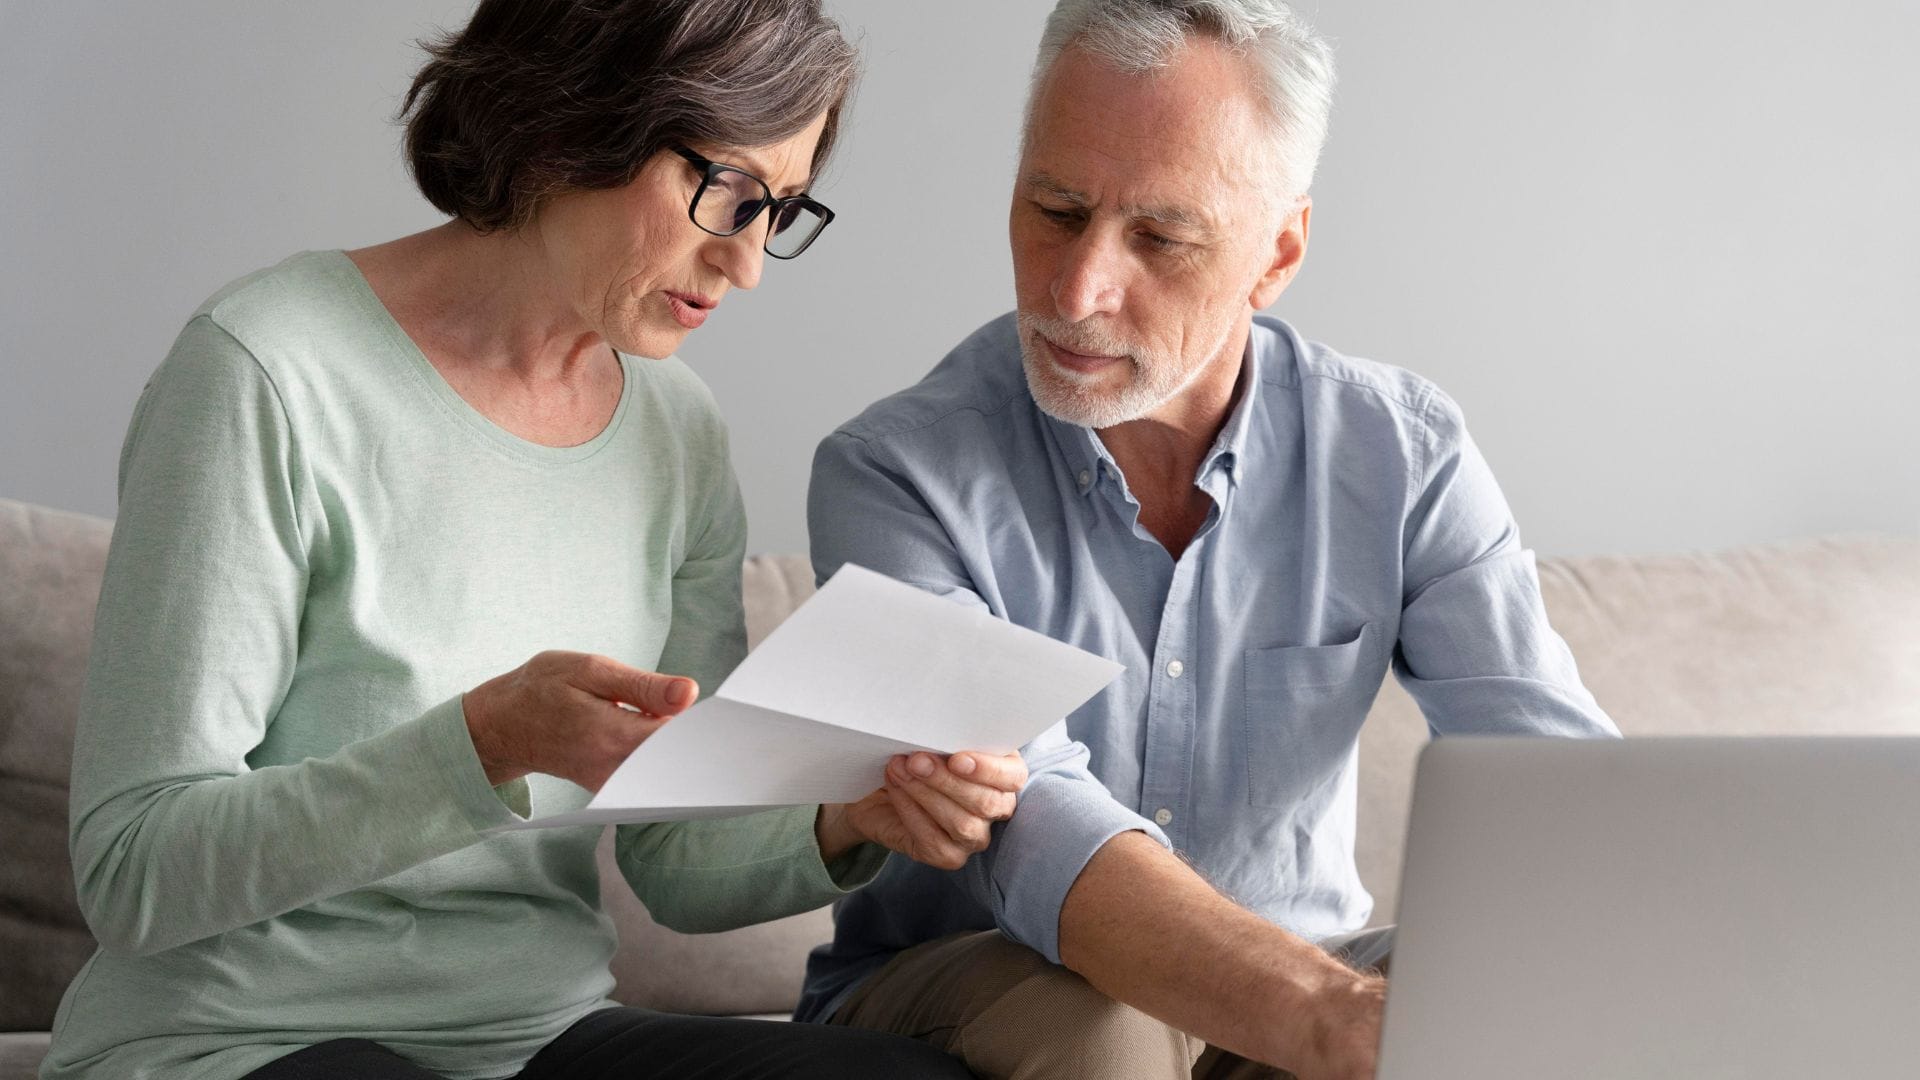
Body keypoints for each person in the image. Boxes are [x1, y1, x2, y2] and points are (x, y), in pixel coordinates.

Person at [44, 3, 1014, 1079]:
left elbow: (679, 859)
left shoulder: (677, 432)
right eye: (726, 193)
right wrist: (481, 744)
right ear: (572, 123)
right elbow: (136, 871)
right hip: (235, 1042)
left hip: (531, 1041)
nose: (745, 266)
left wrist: (848, 816)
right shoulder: (266, 371)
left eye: (777, 210)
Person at [796, 1, 1620, 1078]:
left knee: (1549, 995)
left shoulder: (1402, 453)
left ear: (1276, 254)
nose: (1077, 288)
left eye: (1160, 237)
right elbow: (1028, 820)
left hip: (1293, 979)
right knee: (1100, 1024)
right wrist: (1327, 1016)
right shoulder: (892, 475)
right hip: (972, 977)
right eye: (1055, 208)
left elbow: (1557, 786)